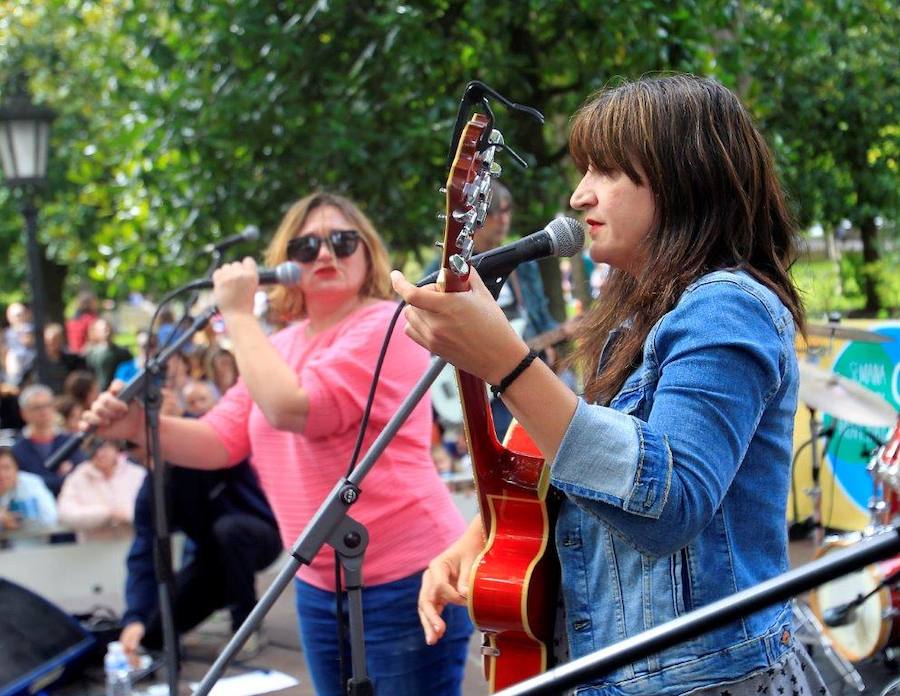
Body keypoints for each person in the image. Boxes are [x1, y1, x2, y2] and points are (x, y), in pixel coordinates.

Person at [393, 75, 824, 696]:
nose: (577, 196)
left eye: (606, 171)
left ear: (684, 179)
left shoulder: (728, 307)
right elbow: (578, 457)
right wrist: (483, 534)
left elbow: (668, 503)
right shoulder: (635, 319)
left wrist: (506, 364)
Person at [83, 192, 472, 695]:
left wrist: (238, 317)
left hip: (407, 576)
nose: (326, 254)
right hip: (316, 580)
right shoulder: (280, 346)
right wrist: (136, 427)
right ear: (287, 264)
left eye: (342, 240)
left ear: (368, 250)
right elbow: (220, 441)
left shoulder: (390, 324)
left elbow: (293, 408)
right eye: (307, 246)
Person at [118, 459, 281, 666]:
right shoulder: (151, 493)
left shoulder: (207, 453)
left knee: (229, 531)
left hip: (258, 534)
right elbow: (143, 553)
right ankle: (154, 634)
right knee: (153, 633)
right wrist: (136, 617)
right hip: (211, 555)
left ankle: (246, 626)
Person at [57, 438, 145, 542]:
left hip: (134, 545)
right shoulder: (77, 477)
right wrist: (106, 514)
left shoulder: (137, 474)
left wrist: (126, 515)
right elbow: (65, 514)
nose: (99, 453)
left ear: (116, 448)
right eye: (93, 448)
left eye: (105, 448)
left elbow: (150, 511)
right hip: (93, 551)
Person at [12, 384, 85, 496]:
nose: (44, 412)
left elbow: (81, 475)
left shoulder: (70, 441)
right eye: (37, 408)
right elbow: (21, 484)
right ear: (24, 413)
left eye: (47, 406)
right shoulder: (17, 449)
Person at [0, 446, 57, 542]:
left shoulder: (31, 483)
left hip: (30, 548)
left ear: (16, 468)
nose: (1, 474)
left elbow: (50, 518)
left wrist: (19, 519)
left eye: (6, 468)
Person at [65, 290, 100, 355]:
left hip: (73, 354)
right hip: (87, 355)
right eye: (95, 301)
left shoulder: (71, 320)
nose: (97, 303)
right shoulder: (91, 319)